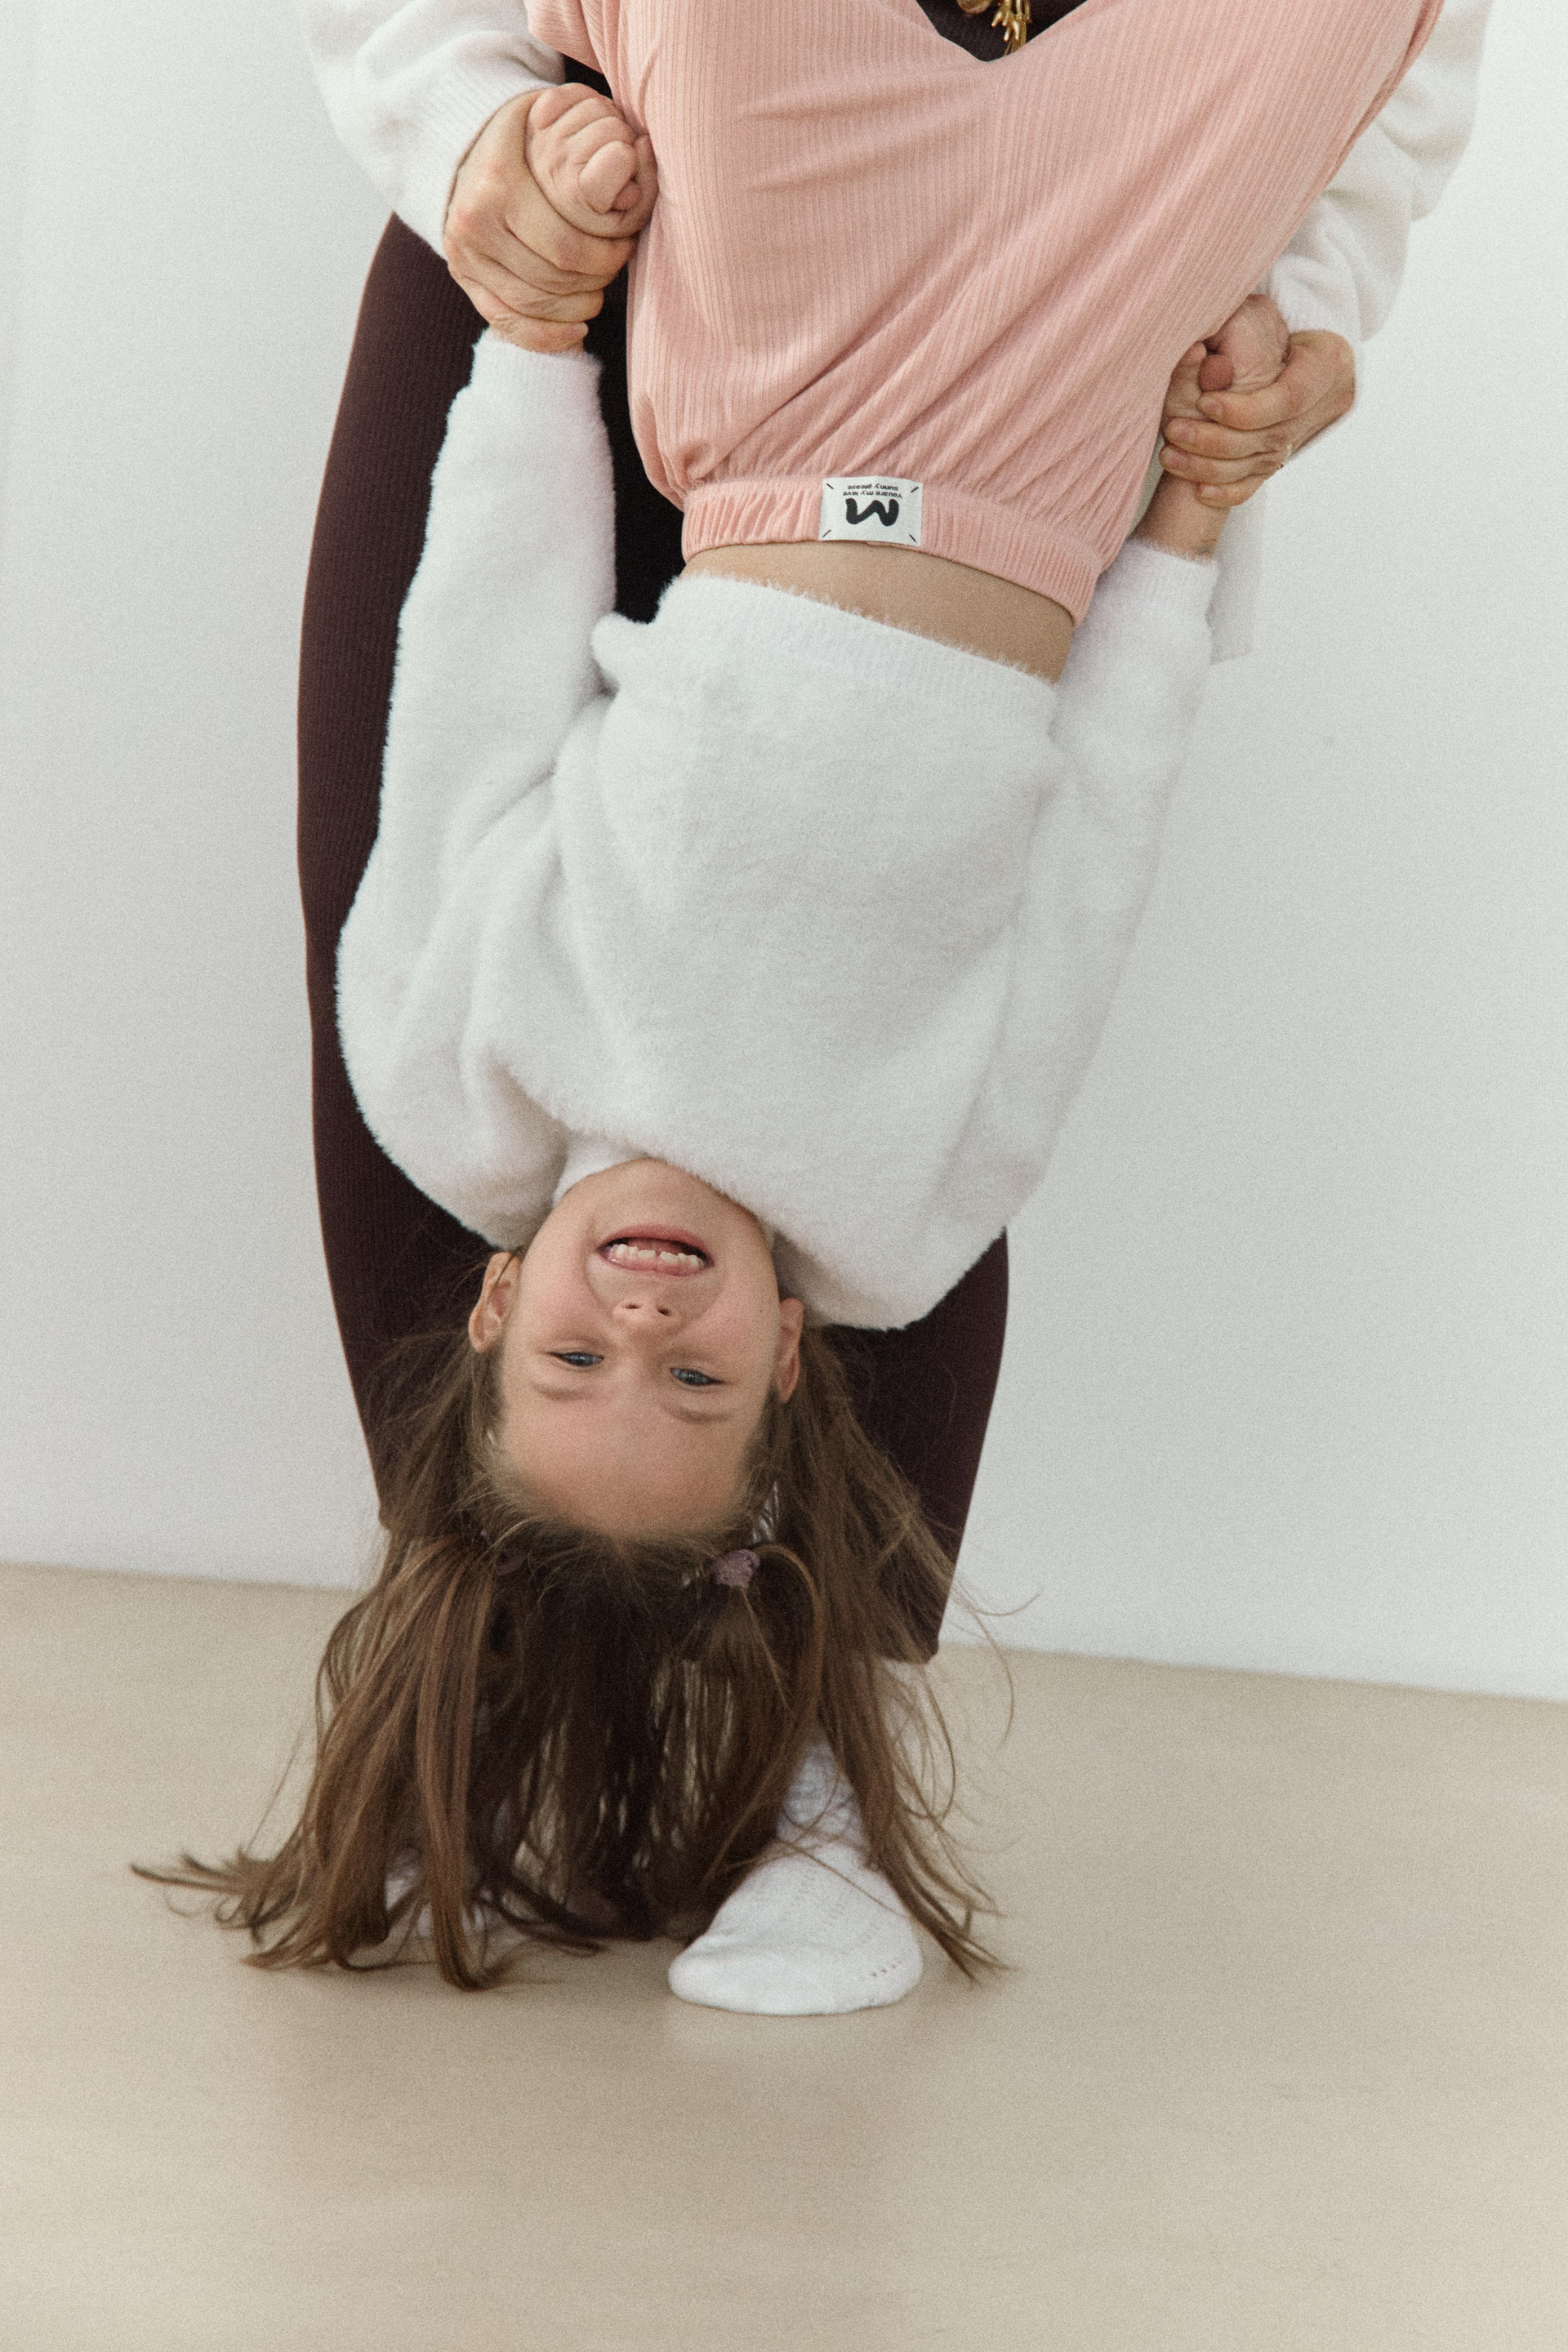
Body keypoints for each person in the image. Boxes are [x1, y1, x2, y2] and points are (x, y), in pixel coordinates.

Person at [184, 0, 1488, 2019]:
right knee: (827, 1099)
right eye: (685, 1374)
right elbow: (1042, 938)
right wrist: (474, 155)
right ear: (772, 1358)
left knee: (601, 1034)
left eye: (589, 1356)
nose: (641, 1325)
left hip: (883, 365)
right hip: (679, 273)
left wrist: (1299, 308)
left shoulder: (496, 1073)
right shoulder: (823, 1199)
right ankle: (503, 1693)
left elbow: (1377, 105)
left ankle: (809, 1771)